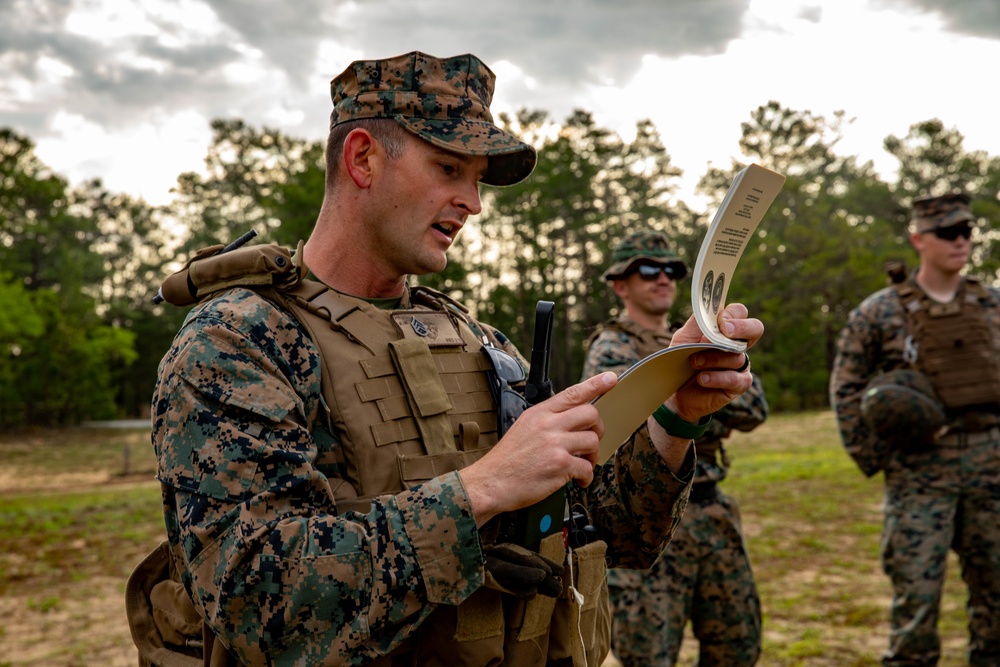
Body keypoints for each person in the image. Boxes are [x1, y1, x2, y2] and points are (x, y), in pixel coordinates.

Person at [126, 51, 762, 667]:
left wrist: (676, 414)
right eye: (449, 169)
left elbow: (613, 534)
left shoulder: (477, 342)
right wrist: (481, 490)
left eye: (478, 180)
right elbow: (254, 599)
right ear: (363, 159)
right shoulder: (239, 342)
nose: (474, 202)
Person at [581, 230, 768, 667]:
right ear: (620, 285)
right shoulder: (611, 348)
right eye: (648, 270)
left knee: (737, 646)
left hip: (711, 510)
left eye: (672, 270)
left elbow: (754, 407)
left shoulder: (705, 338)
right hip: (652, 518)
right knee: (648, 654)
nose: (663, 278)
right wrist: (702, 390)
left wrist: (680, 384)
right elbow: (620, 421)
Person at [829, 192, 1000, 666]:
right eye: (948, 232)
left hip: (992, 466)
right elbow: (846, 388)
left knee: (997, 606)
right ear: (918, 239)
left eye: (967, 230)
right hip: (920, 471)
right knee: (916, 606)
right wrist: (873, 455)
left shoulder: (992, 304)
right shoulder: (880, 312)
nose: (961, 240)